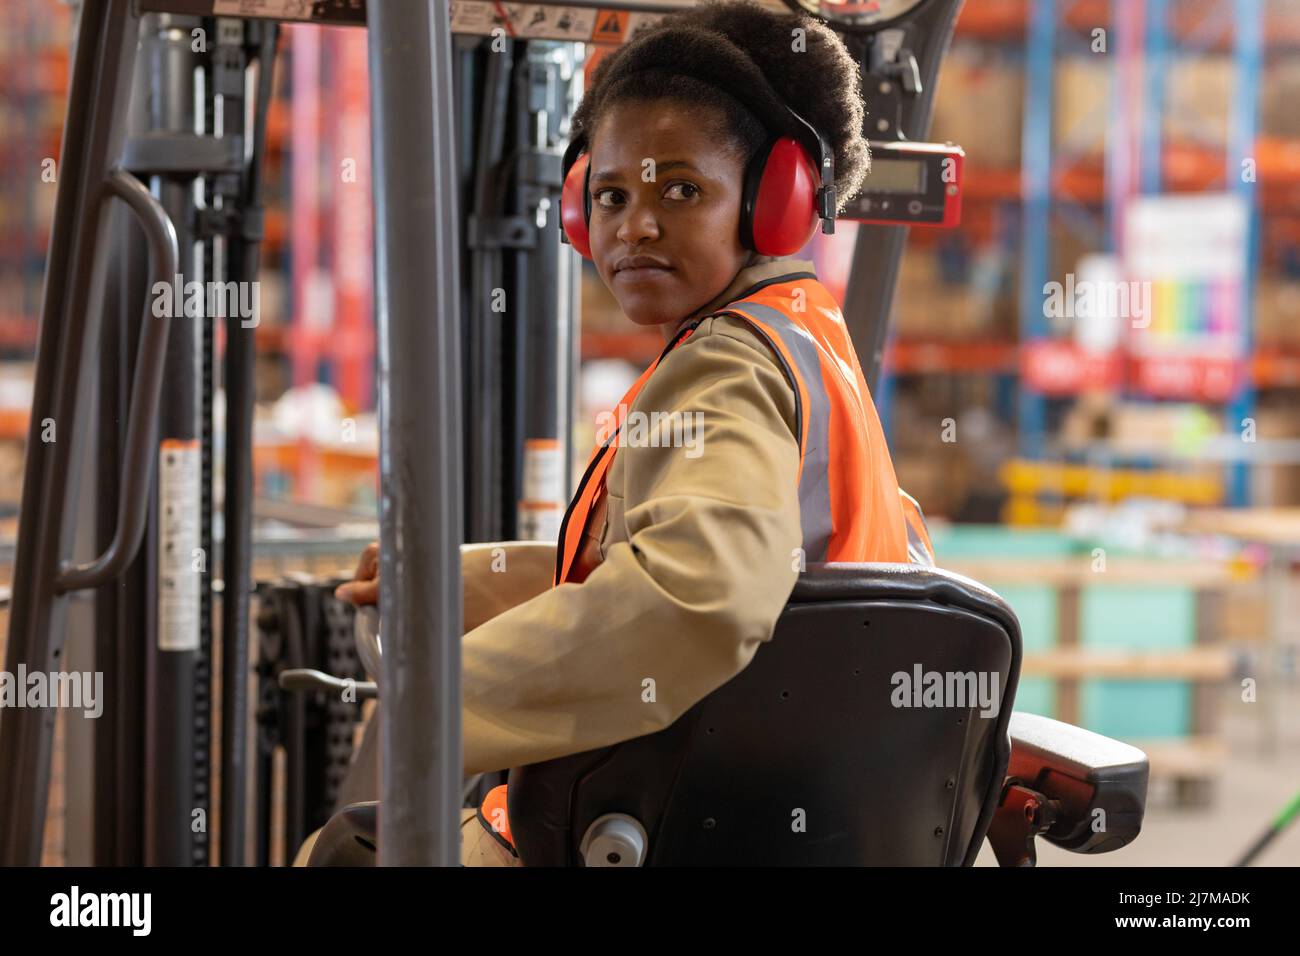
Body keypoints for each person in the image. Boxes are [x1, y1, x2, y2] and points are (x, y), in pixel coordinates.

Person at [324, 0, 932, 867]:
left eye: (680, 190)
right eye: (610, 196)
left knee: (346, 850)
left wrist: (436, 704)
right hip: (793, 814)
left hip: (682, 825)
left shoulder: (728, 368)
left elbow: (699, 596)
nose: (634, 224)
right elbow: (675, 563)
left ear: (774, 204)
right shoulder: (804, 341)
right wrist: (454, 582)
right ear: (576, 215)